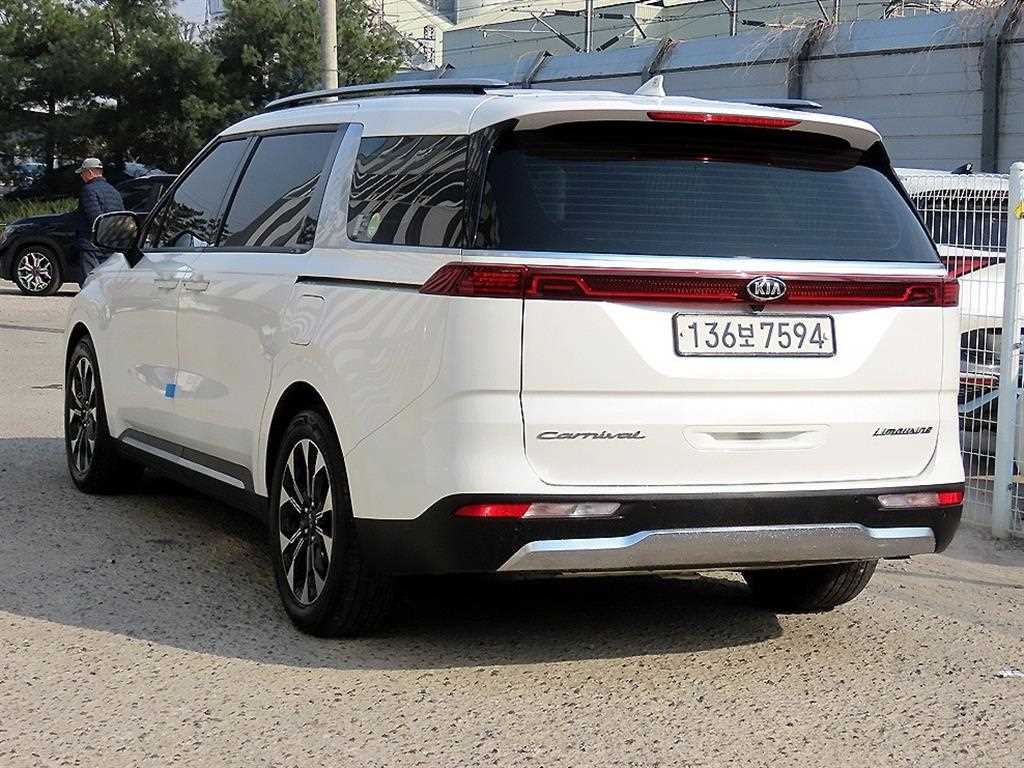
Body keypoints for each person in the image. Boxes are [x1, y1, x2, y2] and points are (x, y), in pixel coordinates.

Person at [74, 158, 124, 279]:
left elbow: (95, 218)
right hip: (111, 244)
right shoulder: (114, 191)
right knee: (107, 281)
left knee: (90, 282)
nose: (81, 176)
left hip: (91, 245)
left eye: (82, 173)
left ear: (90, 172)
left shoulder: (88, 190)